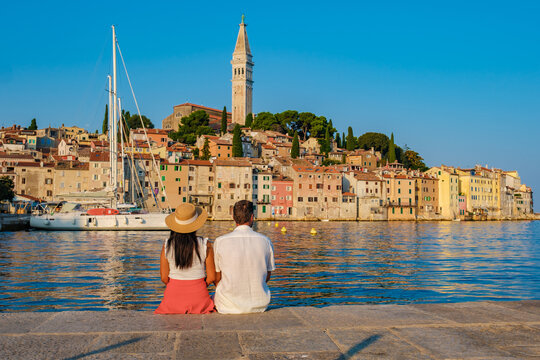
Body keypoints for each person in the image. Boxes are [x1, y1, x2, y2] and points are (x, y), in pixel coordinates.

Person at [213, 200, 275, 314]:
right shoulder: (265, 241)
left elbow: (217, 278)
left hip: (226, 305)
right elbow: (267, 275)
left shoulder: (220, 241)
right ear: (252, 217)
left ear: (233, 217)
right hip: (259, 305)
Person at [155, 203, 216, 314]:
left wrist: (178, 286)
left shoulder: (167, 245)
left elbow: (164, 278)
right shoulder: (205, 244)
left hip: (173, 298)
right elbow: (211, 277)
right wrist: (198, 286)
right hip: (199, 297)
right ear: (195, 224)